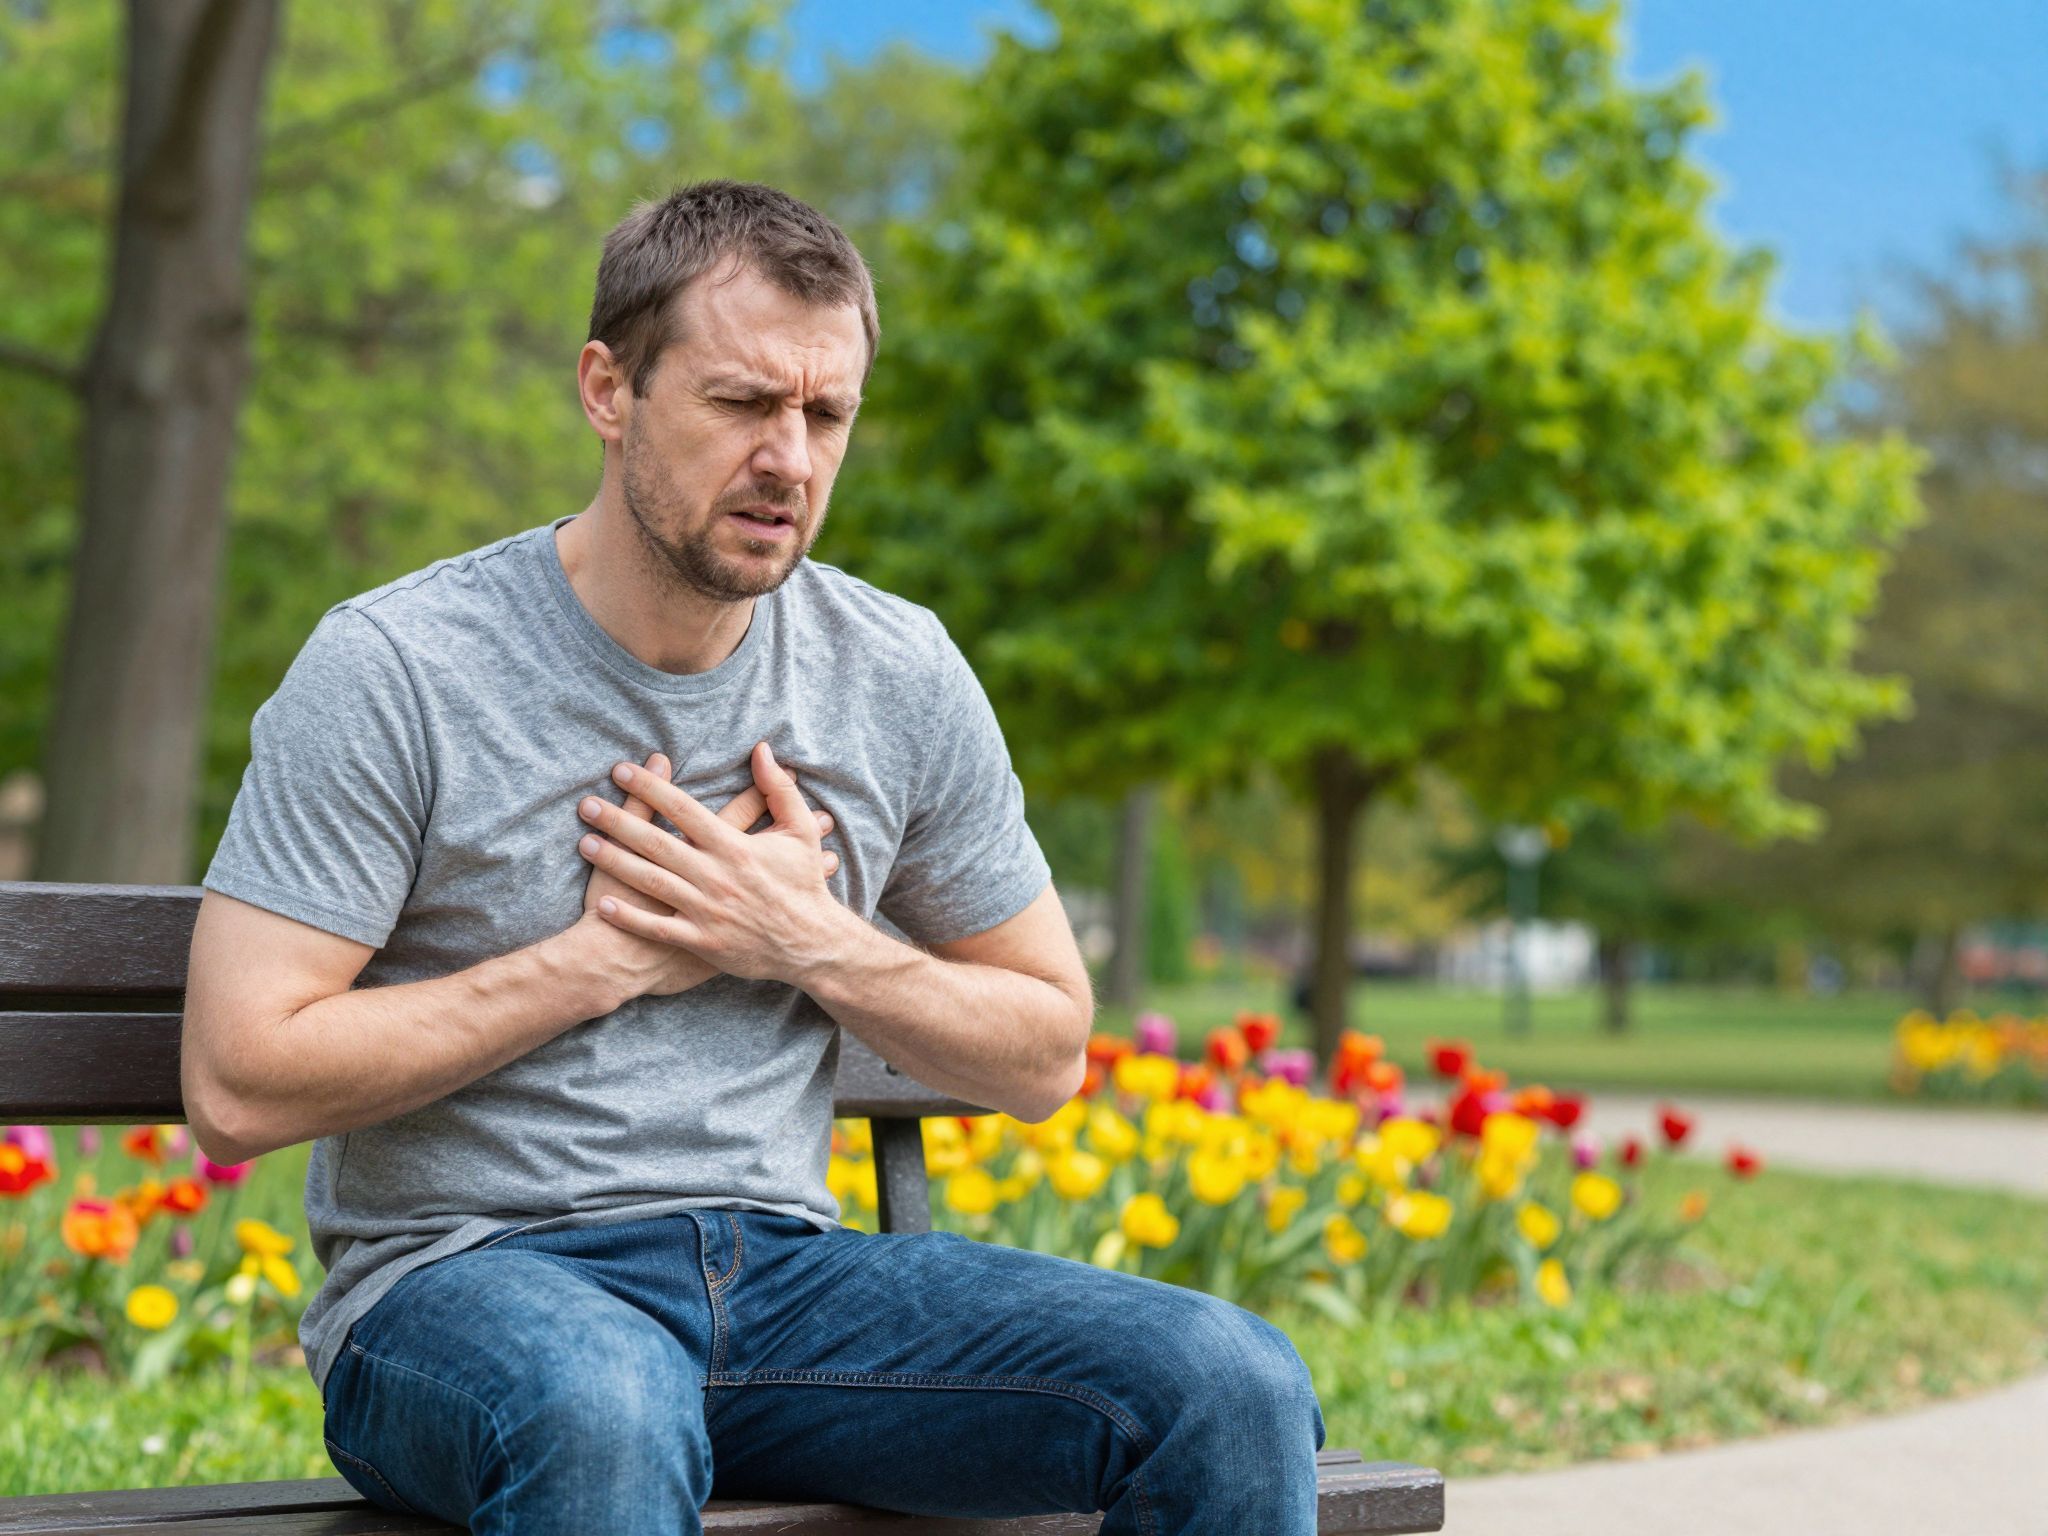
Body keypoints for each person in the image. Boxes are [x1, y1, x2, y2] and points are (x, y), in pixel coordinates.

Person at [183, 179, 1325, 1535]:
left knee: (1228, 1383)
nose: (789, 458)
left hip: (786, 1288)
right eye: (739, 405)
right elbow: (238, 1082)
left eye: (824, 414)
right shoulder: (400, 667)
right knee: (603, 1408)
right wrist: (599, 962)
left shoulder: (893, 673)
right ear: (609, 391)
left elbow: (1043, 1052)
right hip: (459, 1288)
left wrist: (806, 940)